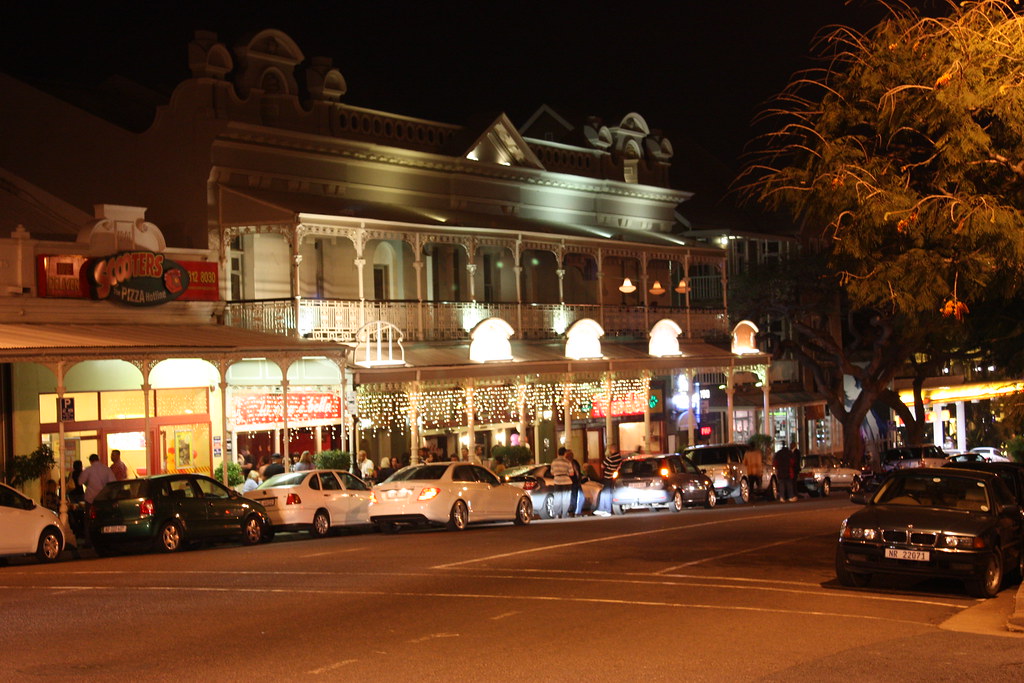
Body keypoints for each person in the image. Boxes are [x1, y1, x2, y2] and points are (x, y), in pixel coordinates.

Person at [595, 444, 623, 516]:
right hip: (614, 478)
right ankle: (605, 509)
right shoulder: (619, 457)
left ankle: (604, 509)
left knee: (605, 493)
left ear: (612, 449)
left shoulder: (611, 458)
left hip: (608, 477)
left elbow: (602, 466)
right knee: (609, 492)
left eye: (610, 449)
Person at [548, 448, 574, 518]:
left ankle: (557, 514)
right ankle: (564, 514)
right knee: (566, 498)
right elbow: (572, 473)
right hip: (566, 481)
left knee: (557, 498)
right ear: (565, 453)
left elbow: (552, 472)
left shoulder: (554, 462)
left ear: (558, 453)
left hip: (557, 481)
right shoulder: (567, 462)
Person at [566, 449, 584, 517]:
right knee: (573, 496)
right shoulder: (566, 463)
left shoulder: (575, 462)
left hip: (576, 481)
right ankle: (571, 511)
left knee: (578, 496)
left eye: (571, 455)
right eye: (569, 455)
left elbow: (578, 471)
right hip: (570, 482)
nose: (571, 456)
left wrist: (580, 478)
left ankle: (576, 511)